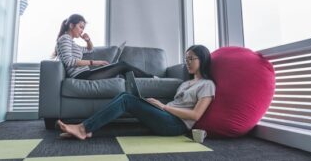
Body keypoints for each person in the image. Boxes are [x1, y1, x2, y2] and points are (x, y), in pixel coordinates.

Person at [57, 45, 216, 140]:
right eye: (186, 58)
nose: (187, 62)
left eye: (191, 59)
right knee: (125, 96)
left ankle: (83, 129)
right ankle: (87, 128)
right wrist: (157, 106)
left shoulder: (207, 85)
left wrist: (164, 107)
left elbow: (195, 115)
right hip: (166, 115)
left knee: (126, 99)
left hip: (176, 125)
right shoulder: (186, 83)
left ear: (202, 59)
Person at [54, 14, 152, 80]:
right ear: (71, 25)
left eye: (83, 28)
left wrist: (88, 40)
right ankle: (151, 78)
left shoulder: (72, 43)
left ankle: (145, 85)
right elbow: (69, 61)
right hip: (81, 76)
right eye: (80, 27)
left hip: (85, 74)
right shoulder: (65, 39)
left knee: (122, 72)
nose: (82, 31)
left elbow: (90, 49)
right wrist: (96, 62)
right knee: (122, 65)